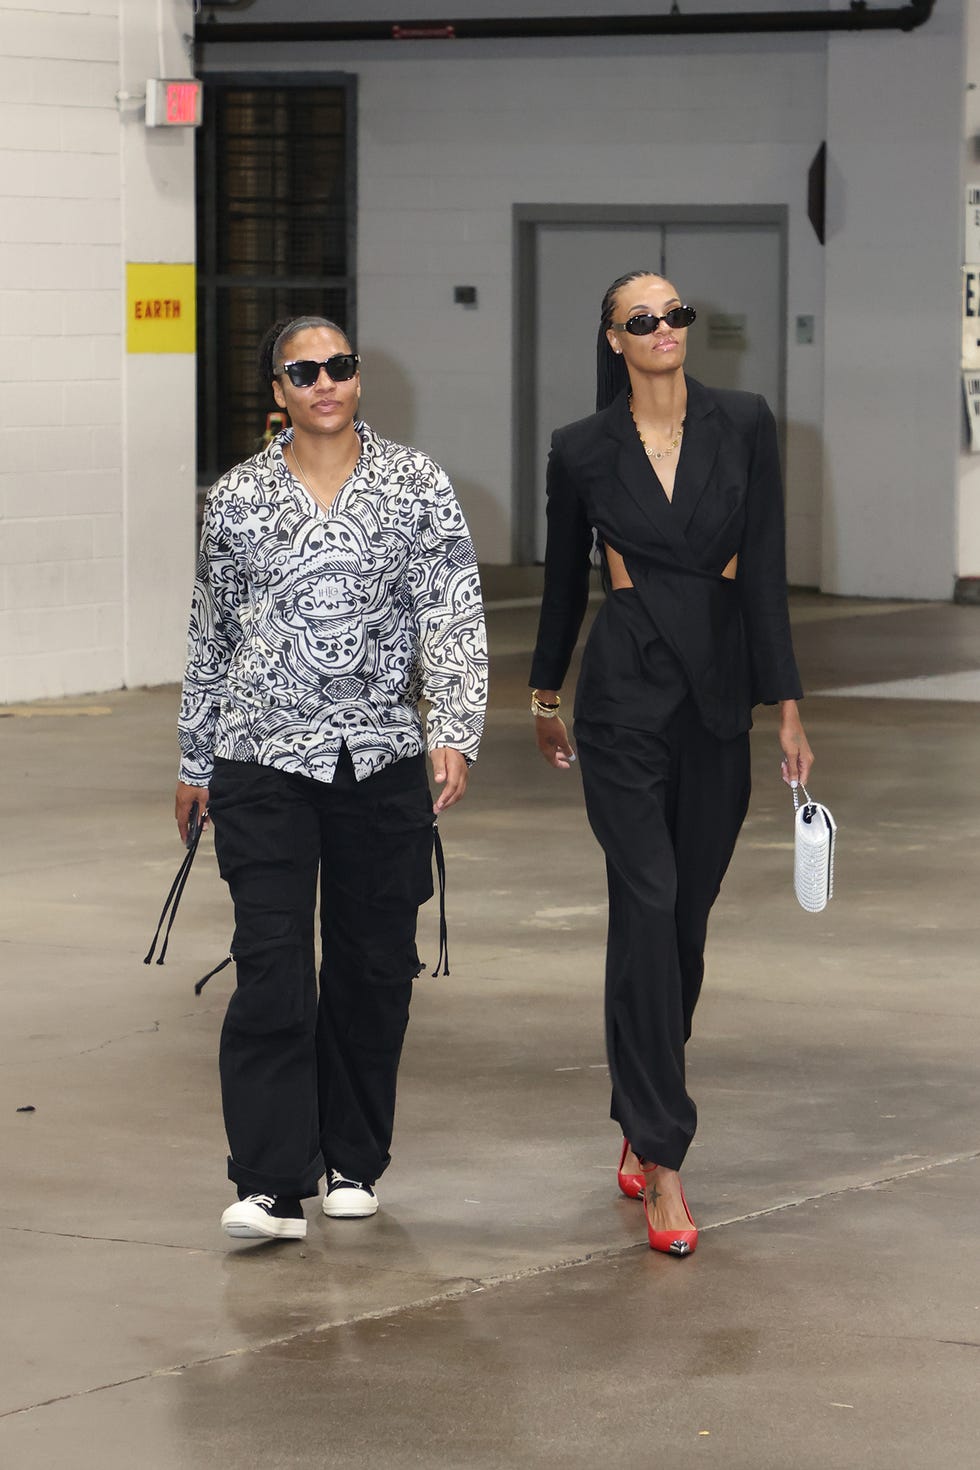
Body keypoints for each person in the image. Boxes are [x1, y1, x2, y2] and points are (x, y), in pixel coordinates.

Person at [175, 315, 488, 1241]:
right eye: (302, 371)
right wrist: (195, 761)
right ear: (278, 391)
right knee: (272, 967)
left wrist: (455, 728)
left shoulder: (415, 486)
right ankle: (271, 1183)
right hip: (261, 762)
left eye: (339, 367)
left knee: (373, 966)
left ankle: (353, 1159)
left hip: (381, 760)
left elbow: (454, 611)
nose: (324, 382)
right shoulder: (235, 500)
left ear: (358, 380)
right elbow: (210, 636)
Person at [529, 271, 813, 1257]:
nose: (662, 329)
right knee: (644, 904)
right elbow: (566, 577)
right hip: (623, 696)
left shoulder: (743, 423)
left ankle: (631, 1099)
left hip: (716, 695)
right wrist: (540, 692)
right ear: (611, 338)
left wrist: (784, 706)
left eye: (674, 314)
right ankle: (661, 1156)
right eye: (640, 319)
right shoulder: (581, 448)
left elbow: (765, 568)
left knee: (681, 922)